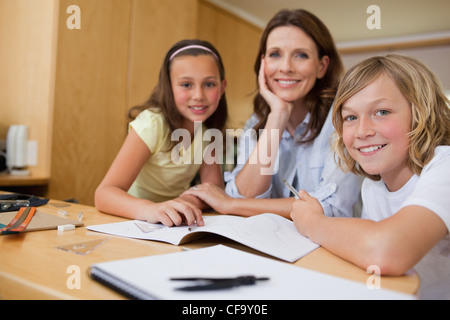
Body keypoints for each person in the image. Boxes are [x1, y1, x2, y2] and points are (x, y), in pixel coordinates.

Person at [290, 54, 450, 299]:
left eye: (382, 111)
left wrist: (312, 222)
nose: (362, 131)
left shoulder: (445, 167)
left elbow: (387, 251)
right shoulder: (373, 186)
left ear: (420, 114)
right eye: (351, 117)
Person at [183, 9, 360, 218]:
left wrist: (230, 205)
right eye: (275, 54)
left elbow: (330, 208)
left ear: (321, 67)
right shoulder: (257, 122)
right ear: (263, 64)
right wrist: (278, 115)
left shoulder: (346, 119)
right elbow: (245, 195)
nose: (285, 67)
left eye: (301, 55)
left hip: (330, 247)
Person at [95, 39, 228, 227]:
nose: (198, 95)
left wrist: (185, 203)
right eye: (186, 85)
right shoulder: (152, 123)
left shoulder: (209, 133)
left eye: (209, 84)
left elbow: (214, 191)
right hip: (136, 220)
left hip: (170, 222)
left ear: (222, 88)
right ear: (169, 87)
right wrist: (152, 209)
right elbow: (104, 194)